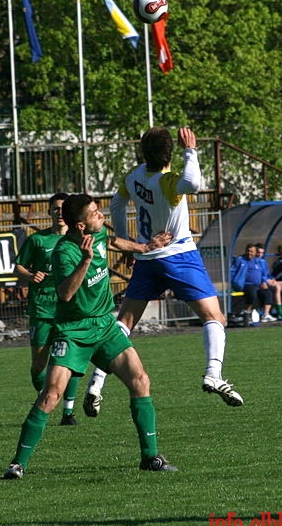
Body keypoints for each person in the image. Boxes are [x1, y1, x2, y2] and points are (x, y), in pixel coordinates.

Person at [4, 193, 177, 478]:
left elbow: (112, 241)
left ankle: (150, 457)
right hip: (73, 330)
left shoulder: (97, 237)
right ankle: (17, 464)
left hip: (105, 326)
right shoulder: (64, 252)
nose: (102, 216)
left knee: (140, 380)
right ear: (81, 226)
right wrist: (85, 260)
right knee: (50, 395)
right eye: (95, 213)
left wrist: (145, 246)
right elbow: (66, 293)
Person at [85, 126, 243, 412]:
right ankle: (213, 374)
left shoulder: (133, 176)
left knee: (125, 322)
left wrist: (126, 239)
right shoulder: (169, 182)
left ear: (143, 152)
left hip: (147, 256)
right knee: (215, 316)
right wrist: (191, 150)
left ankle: (96, 382)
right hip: (178, 255)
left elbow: (118, 202)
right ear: (170, 152)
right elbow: (193, 183)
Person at [14, 192, 80, 426]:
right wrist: (31, 275)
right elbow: (18, 267)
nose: (59, 213)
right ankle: (45, 397)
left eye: (63, 209)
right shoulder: (37, 240)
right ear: (49, 212)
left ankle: (68, 412)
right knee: (39, 366)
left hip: (68, 310)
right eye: (55, 209)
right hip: (42, 309)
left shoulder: (77, 239)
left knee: (70, 361)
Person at [232, 243, 278, 324]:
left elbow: (263, 273)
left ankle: (265, 314)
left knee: (268, 293)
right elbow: (233, 272)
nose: (249, 253)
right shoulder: (241, 260)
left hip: (258, 285)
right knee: (252, 293)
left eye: (251, 251)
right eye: (248, 251)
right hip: (246, 285)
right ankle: (247, 313)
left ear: (255, 253)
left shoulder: (257, 262)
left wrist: (263, 282)